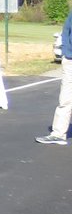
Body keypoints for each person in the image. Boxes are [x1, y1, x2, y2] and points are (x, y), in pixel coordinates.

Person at [37, 10, 72, 144]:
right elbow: (66, 31)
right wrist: (65, 53)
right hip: (70, 60)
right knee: (66, 99)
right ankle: (58, 133)